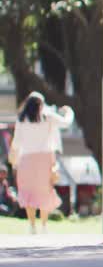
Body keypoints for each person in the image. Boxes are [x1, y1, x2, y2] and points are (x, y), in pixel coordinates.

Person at [8, 93, 73, 233]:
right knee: (45, 192)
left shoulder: (21, 119)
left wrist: (13, 159)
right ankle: (44, 225)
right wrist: (69, 112)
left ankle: (32, 226)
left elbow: (16, 143)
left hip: (26, 159)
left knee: (28, 192)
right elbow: (66, 123)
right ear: (41, 104)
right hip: (45, 158)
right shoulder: (47, 117)